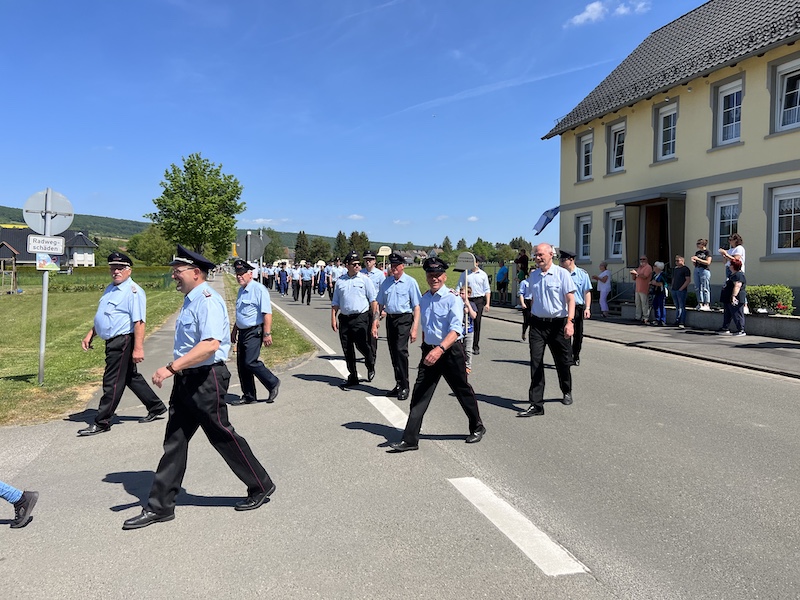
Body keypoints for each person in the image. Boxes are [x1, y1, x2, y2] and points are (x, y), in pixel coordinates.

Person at [122, 245, 275, 530]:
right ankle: (160, 506)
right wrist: (178, 371)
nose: (174, 276)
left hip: (206, 378)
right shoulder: (191, 300)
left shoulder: (207, 301)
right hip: (187, 378)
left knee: (221, 435)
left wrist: (170, 368)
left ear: (195, 272)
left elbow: (210, 345)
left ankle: (261, 484)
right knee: (175, 441)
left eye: (177, 271)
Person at [388, 257, 485, 452]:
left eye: (438, 274)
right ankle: (410, 439)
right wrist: (426, 344)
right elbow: (426, 325)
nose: (434, 278)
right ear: (426, 276)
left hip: (449, 352)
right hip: (430, 351)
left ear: (444, 276)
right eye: (431, 274)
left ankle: (477, 426)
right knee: (419, 394)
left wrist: (440, 349)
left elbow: (456, 330)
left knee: (462, 390)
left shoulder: (453, 298)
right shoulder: (424, 299)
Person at [78, 252, 167, 436]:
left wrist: (138, 349)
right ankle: (156, 406)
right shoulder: (111, 288)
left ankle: (102, 421)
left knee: (112, 381)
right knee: (128, 377)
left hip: (122, 340)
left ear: (129, 270)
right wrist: (91, 333)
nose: (116, 271)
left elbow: (139, 322)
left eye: (120, 268)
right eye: (113, 268)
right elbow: (105, 315)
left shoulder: (133, 291)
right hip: (112, 339)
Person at [518, 243, 576, 418]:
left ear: (551, 254)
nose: (537, 258)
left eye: (541, 255)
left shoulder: (562, 274)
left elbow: (570, 299)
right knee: (536, 362)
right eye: (536, 255)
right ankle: (536, 404)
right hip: (538, 325)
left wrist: (570, 322)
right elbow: (533, 299)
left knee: (562, 361)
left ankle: (566, 389)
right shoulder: (533, 276)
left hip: (558, 325)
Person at [229, 259, 281, 406]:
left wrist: (267, 333)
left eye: (242, 273)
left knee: (250, 361)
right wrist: (234, 330)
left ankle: (272, 382)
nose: (239, 276)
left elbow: (267, 313)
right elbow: (242, 314)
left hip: (254, 331)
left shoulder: (258, 289)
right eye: (237, 274)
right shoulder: (241, 290)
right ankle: (249, 395)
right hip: (243, 331)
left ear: (250, 274)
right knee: (242, 365)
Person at [373, 252, 421, 401]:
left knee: (401, 351)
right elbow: (379, 303)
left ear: (402, 266)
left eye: (396, 266)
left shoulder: (410, 282)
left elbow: (417, 306)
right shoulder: (386, 282)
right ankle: (398, 384)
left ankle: (405, 386)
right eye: (391, 266)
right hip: (391, 319)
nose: (393, 268)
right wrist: (375, 322)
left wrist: (414, 328)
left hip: (404, 319)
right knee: (393, 352)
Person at [331, 250, 378, 389]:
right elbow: (335, 302)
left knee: (361, 345)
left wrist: (375, 320)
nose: (357, 266)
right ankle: (353, 376)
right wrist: (333, 318)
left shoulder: (364, 279)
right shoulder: (340, 281)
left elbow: (373, 301)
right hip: (345, 318)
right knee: (347, 348)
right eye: (354, 264)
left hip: (361, 317)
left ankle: (370, 363)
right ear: (347, 265)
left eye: (358, 263)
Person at [559, 250, 592, 366]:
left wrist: (587, 308)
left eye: (563, 260)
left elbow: (586, 292)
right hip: (564, 308)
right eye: (560, 260)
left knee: (578, 334)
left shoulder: (582, 274)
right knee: (565, 333)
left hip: (578, 307)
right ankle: (567, 356)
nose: (561, 262)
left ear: (571, 260)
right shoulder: (560, 274)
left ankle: (575, 355)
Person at [455, 257, 490, 355]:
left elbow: (487, 289)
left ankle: (475, 345)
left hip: (479, 300)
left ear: (477, 263)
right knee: (464, 322)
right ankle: (463, 343)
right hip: (468, 299)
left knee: (477, 322)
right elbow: (459, 287)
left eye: (474, 262)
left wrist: (487, 303)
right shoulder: (465, 274)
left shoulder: (483, 275)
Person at [361, 250, 386, 362]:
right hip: (363, 306)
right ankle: (367, 352)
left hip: (375, 307)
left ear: (374, 261)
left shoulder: (380, 275)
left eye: (370, 260)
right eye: (366, 260)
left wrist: (383, 309)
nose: (368, 262)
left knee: (372, 331)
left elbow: (383, 292)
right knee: (362, 332)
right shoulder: (360, 273)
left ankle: (372, 354)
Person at [717, 257, 747, 336]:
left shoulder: (739, 275)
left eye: (730, 265)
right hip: (727, 298)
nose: (729, 266)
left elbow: (737, 286)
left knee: (737, 314)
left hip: (735, 299)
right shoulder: (732, 275)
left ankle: (741, 330)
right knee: (727, 314)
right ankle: (725, 328)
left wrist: (734, 296)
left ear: (734, 266)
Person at [459, 286, 478, 374]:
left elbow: (474, 316)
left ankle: (468, 366)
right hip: (459, 331)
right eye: (460, 293)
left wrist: (468, 307)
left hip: (469, 330)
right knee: (459, 349)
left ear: (469, 294)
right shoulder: (457, 303)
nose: (461, 295)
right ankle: (459, 365)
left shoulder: (472, 304)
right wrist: (462, 311)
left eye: (463, 293)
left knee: (468, 350)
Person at [630, 255, 653, 324]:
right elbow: (634, 278)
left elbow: (645, 276)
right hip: (637, 288)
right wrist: (633, 274)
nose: (642, 260)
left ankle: (645, 317)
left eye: (644, 259)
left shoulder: (648, 267)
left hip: (644, 288)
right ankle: (638, 317)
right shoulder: (639, 268)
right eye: (641, 259)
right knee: (637, 303)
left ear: (647, 260)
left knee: (644, 304)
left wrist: (637, 274)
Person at [691, 239, 712, 310]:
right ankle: (700, 303)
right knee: (697, 287)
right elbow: (696, 263)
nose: (697, 245)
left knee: (705, 287)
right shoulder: (697, 252)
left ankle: (707, 303)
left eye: (698, 243)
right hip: (697, 269)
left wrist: (698, 259)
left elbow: (708, 262)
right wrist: (694, 261)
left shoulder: (707, 252)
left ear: (702, 244)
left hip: (704, 270)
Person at [671, 255, 692, 328]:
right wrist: (672, 286)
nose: (676, 262)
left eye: (678, 261)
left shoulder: (685, 269)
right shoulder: (676, 269)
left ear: (682, 261)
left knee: (682, 306)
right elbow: (674, 278)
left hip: (681, 290)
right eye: (675, 261)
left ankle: (682, 321)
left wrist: (681, 288)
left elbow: (688, 280)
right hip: (674, 289)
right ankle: (677, 320)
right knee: (677, 306)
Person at [518, 266, 535, 341]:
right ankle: (523, 332)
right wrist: (522, 303)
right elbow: (521, 293)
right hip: (527, 301)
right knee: (527, 320)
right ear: (529, 273)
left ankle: (532, 336)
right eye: (531, 273)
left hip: (534, 302)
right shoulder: (524, 282)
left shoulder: (537, 282)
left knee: (534, 321)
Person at [649, 261, 668, 326]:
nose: (653, 267)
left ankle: (662, 320)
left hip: (661, 291)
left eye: (655, 266)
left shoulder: (663, 274)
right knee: (655, 305)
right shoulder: (654, 275)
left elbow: (664, 283)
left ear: (658, 268)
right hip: (655, 292)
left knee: (661, 305)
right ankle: (657, 319)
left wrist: (655, 283)